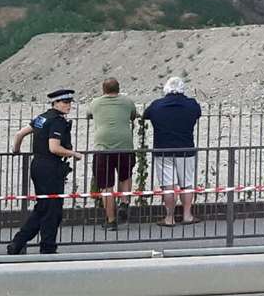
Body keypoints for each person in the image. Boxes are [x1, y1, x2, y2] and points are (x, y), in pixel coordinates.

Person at [7, 88, 82, 255]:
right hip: (51, 167)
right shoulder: (57, 121)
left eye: (70, 102)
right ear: (55, 103)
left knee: (43, 207)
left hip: (37, 164)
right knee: (52, 209)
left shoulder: (42, 117)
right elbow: (54, 148)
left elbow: (20, 134)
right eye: (65, 102)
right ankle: (47, 247)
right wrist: (74, 154)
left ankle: (18, 242)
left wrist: (16, 150)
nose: (68, 106)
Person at [143, 76, 203, 226]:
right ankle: (187, 215)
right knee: (187, 184)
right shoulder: (191, 105)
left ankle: (169, 218)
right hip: (185, 149)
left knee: (168, 185)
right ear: (182, 89)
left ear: (166, 89)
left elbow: (145, 115)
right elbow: (198, 113)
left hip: (163, 150)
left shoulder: (157, 105)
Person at [86, 77, 140, 229]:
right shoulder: (127, 102)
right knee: (125, 176)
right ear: (118, 89)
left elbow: (88, 114)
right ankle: (124, 202)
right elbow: (133, 114)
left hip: (103, 148)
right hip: (125, 146)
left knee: (106, 186)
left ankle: (111, 220)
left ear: (103, 90)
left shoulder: (95, 103)